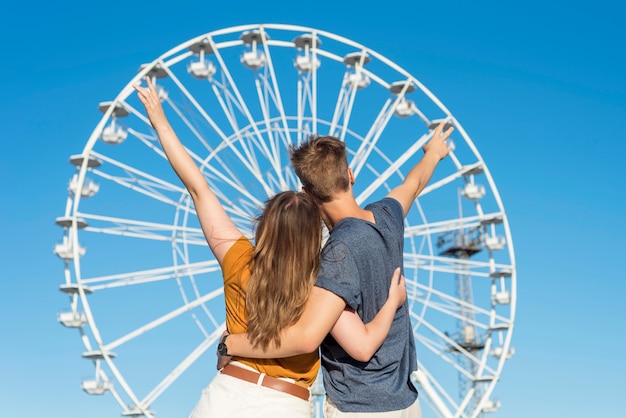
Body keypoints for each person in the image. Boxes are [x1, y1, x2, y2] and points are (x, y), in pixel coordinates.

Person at [134, 77, 408, 418]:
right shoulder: (323, 283)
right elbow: (363, 345)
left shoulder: (237, 258)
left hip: (224, 396)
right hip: (285, 403)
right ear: (313, 235)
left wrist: (160, 121)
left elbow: (197, 188)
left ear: (264, 224)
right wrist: (392, 303)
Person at [224, 122, 453, 417]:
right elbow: (413, 183)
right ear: (350, 175)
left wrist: (230, 344)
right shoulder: (387, 216)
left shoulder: (335, 257)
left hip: (360, 405)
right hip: (406, 402)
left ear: (307, 194)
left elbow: (314, 338)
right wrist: (433, 153)